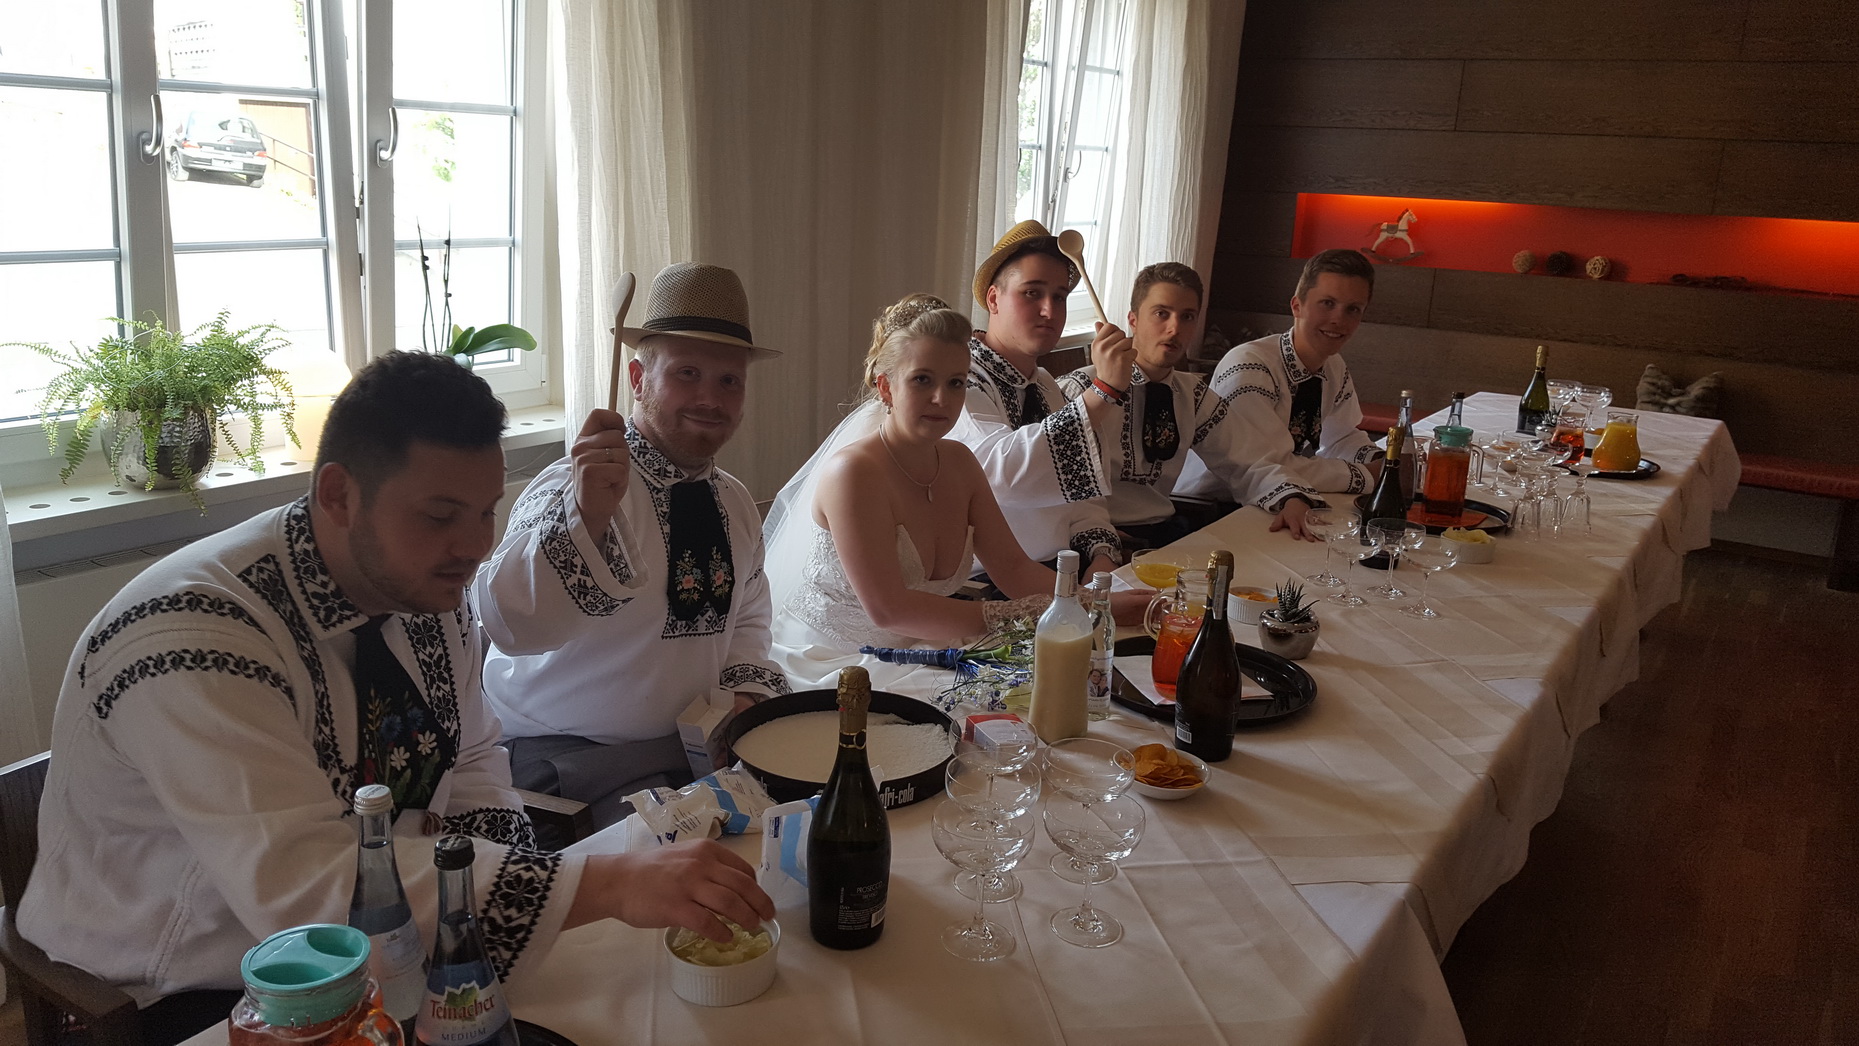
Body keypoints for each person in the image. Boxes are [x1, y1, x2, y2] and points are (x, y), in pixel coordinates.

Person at [18, 351, 772, 1046]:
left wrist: (485, 915)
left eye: (485, 512)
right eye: (440, 516)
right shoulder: (196, 634)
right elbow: (306, 894)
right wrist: (600, 885)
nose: (474, 547)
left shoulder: (422, 591)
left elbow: (473, 757)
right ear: (339, 494)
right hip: (187, 988)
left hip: (391, 952)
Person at [475, 263, 790, 843]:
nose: (710, 398)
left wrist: (745, 695)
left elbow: (748, 616)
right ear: (638, 378)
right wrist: (586, 517)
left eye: (729, 380)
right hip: (565, 767)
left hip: (689, 757)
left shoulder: (736, 501)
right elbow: (509, 625)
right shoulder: (569, 489)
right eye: (688, 373)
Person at [764, 295, 1149, 697]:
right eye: (922, 380)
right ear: (886, 387)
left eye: (956, 383)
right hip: (836, 665)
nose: (941, 399)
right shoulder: (854, 473)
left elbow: (1014, 569)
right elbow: (889, 610)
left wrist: (1093, 603)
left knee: (1079, 683)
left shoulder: (960, 463)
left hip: (923, 648)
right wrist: (1030, 613)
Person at [948, 220, 1135, 578]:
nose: (1049, 310)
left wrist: (1101, 555)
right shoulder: (959, 378)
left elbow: (1082, 500)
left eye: (1059, 296)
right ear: (993, 299)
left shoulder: (1045, 384)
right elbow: (998, 475)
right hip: (984, 584)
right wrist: (1103, 393)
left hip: (1061, 571)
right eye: (1032, 293)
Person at [1174, 247, 1384, 540]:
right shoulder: (1251, 365)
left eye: (1353, 309)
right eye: (1327, 303)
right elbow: (1269, 464)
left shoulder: (1333, 365)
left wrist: (1385, 462)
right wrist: (1364, 476)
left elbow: (1340, 436)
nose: (1339, 319)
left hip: (1282, 500)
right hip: (1211, 511)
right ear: (1297, 306)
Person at [1056, 262, 1262, 549]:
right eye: (1161, 313)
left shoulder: (1192, 394)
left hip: (1163, 534)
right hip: (1087, 538)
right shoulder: (1079, 389)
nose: (1174, 328)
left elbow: (1246, 460)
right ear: (1133, 320)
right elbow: (1044, 480)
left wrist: (1288, 497)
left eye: (1187, 317)